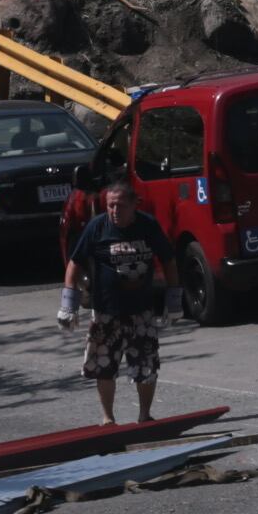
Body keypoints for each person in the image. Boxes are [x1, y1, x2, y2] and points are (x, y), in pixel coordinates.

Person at [60, 178, 182, 424]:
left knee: (146, 366)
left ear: (134, 204)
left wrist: (174, 300)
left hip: (141, 311)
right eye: (110, 205)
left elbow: (168, 260)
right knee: (104, 366)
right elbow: (75, 263)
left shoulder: (148, 225)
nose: (115, 211)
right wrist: (68, 304)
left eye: (120, 205)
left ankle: (145, 415)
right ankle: (108, 418)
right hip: (106, 311)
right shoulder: (97, 227)